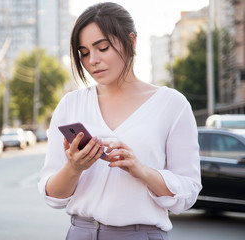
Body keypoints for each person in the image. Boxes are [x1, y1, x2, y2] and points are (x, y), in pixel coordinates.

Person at [38, 2, 202, 240]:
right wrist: (74, 168)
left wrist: (140, 170)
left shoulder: (172, 105)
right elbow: (52, 196)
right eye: (83, 53)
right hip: (80, 233)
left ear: (132, 42)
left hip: (141, 234)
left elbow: (188, 192)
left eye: (102, 48)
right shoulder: (70, 105)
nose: (92, 60)